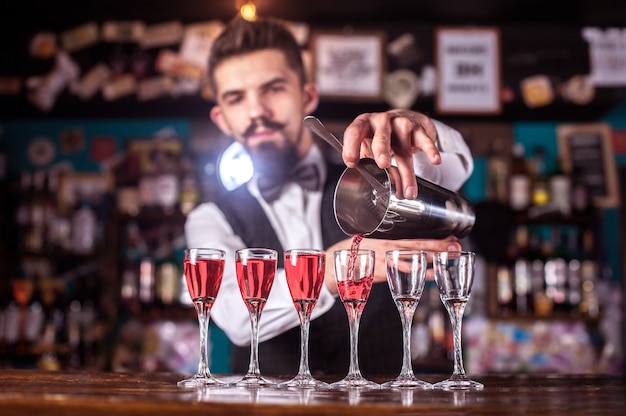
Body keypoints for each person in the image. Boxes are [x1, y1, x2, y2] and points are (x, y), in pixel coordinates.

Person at [185, 16, 474, 377]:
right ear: (222, 118)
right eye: (236, 98)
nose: (257, 110)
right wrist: (328, 272)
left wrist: (419, 130)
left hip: (382, 403)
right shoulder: (210, 217)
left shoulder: (374, 179)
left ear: (307, 96)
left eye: (273, 89)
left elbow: (451, 170)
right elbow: (233, 315)